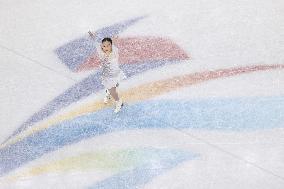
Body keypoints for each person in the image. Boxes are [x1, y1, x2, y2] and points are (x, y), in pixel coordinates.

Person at [88, 31, 125, 113]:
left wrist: (113, 41)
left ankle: (119, 101)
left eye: (108, 45)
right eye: (104, 46)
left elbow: (112, 46)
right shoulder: (100, 51)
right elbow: (96, 42)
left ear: (111, 45)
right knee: (110, 87)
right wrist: (93, 36)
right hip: (106, 75)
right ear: (102, 47)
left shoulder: (115, 51)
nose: (106, 47)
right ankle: (108, 92)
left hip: (114, 74)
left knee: (113, 91)